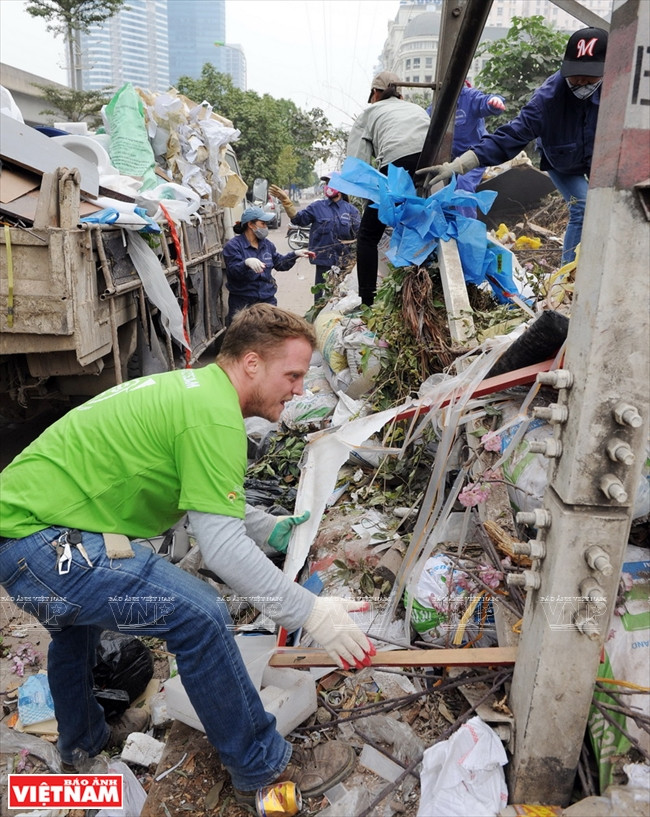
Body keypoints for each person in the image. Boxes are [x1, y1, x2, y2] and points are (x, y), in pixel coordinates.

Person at [0, 303, 375, 805]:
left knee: (75, 627)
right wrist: (311, 612)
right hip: (41, 545)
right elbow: (219, 548)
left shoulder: (197, 394)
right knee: (200, 614)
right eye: (293, 375)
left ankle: (82, 744)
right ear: (250, 364)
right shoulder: (214, 418)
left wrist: (274, 531)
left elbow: (211, 506)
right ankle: (262, 767)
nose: (301, 389)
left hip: (27, 539)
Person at [418, 27, 608, 265]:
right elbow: (510, 136)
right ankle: (568, 275)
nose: (580, 81)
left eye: (588, 76)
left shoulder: (618, 90)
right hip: (562, 159)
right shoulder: (547, 100)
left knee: (611, 209)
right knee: (582, 206)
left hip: (602, 157)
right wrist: (459, 165)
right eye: (574, 75)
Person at [347, 71, 431, 305]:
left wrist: (368, 200)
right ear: (400, 94)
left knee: (367, 235)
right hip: (431, 162)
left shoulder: (370, 112)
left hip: (396, 163)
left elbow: (358, 164)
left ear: (375, 93)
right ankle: (428, 289)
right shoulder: (416, 109)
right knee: (425, 226)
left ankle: (367, 301)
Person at [269, 177, 361, 302]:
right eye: (326, 184)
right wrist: (286, 202)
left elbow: (359, 235)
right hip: (323, 262)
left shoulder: (351, 211)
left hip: (344, 263)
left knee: (341, 297)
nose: (328, 186)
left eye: (331, 184)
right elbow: (298, 220)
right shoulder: (317, 207)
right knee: (321, 298)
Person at [427, 81, 506, 216]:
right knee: (433, 181)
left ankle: (467, 226)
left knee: (464, 182)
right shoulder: (437, 104)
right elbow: (425, 120)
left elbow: (485, 102)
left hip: (474, 155)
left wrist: (495, 102)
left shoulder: (469, 96)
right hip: (450, 159)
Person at [222, 206, 310, 324]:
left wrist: (294, 254)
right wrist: (246, 263)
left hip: (267, 301)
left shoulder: (267, 245)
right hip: (243, 303)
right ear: (251, 225)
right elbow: (233, 271)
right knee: (244, 337)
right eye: (263, 223)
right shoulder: (233, 246)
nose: (265, 227)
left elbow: (280, 263)